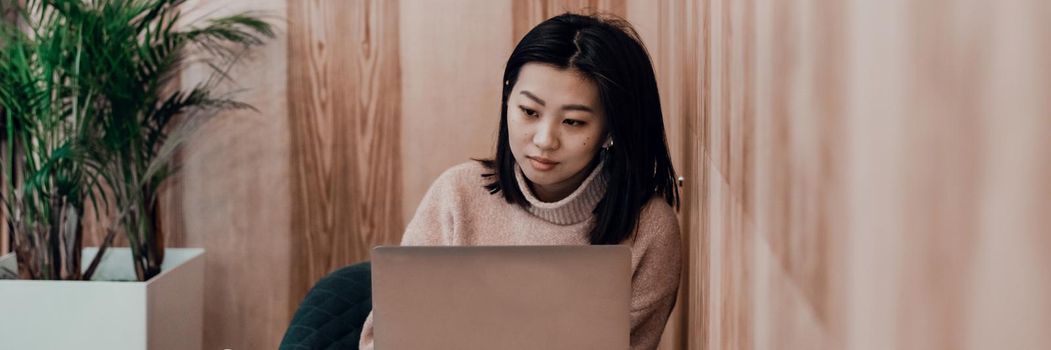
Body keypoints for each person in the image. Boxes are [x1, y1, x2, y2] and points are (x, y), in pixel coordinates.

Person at [359, 12, 682, 350]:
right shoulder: (457, 194)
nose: (544, 140)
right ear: (508, 98)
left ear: (610, 131)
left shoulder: (650, 228)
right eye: (529, 112)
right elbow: (380, 341)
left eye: (573, 122)